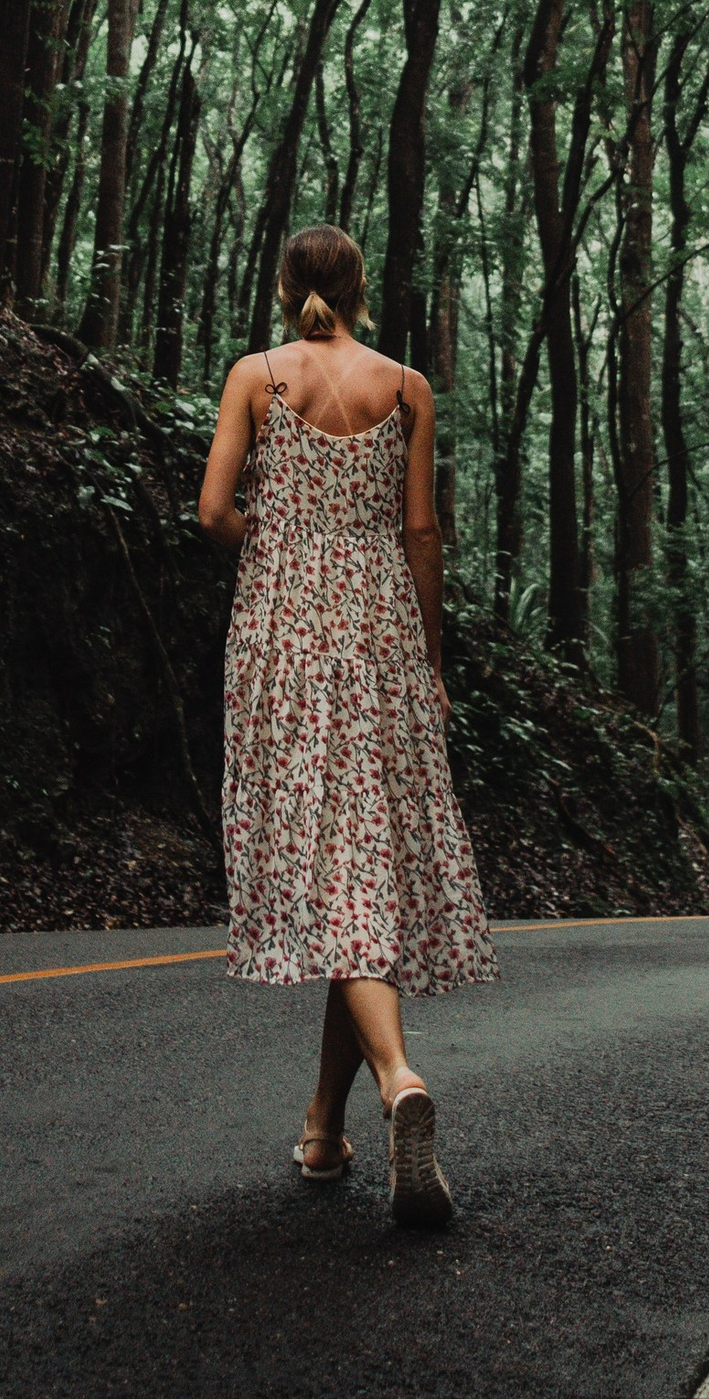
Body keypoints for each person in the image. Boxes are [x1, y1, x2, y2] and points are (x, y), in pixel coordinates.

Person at [197, 222, 496, 1230]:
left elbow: (210, 510)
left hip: (282, 632)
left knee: (333, 871)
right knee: (358, 867)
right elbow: (419, 531)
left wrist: (277, 546)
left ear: (285, 286)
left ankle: (395, 1075)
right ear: (362, 286)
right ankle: (324, 1124)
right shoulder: (406, 385)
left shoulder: (256, 374)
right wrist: (431, 658)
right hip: (377, 631)